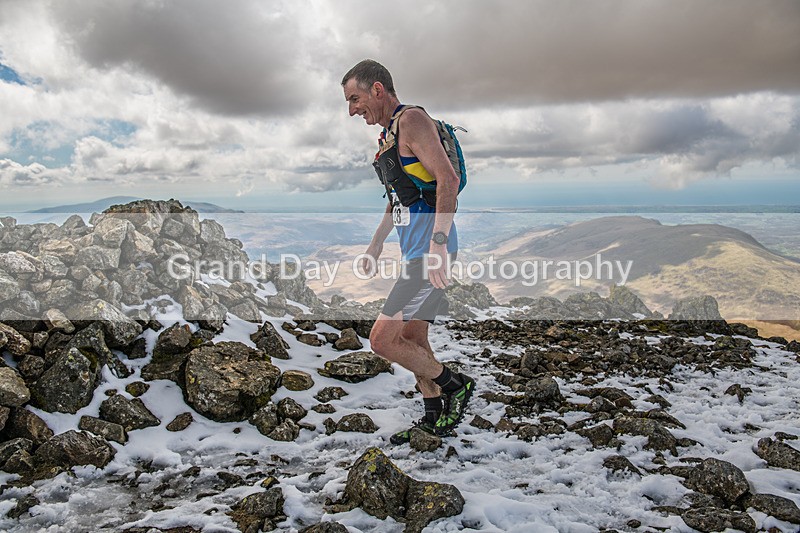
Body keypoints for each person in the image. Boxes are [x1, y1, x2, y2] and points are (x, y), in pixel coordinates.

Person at [341, 59, 475, 444]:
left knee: (382, 340)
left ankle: (456, 386)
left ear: (377, 90)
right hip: (415, 249)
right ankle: (434, 416)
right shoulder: (387, 136)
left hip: (429, 253)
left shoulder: (413, 120)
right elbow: (398, 199)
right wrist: (377, 242)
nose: (352, 110)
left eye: (355, 98)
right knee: (414, 341)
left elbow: (447, 179)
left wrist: (436, 245)